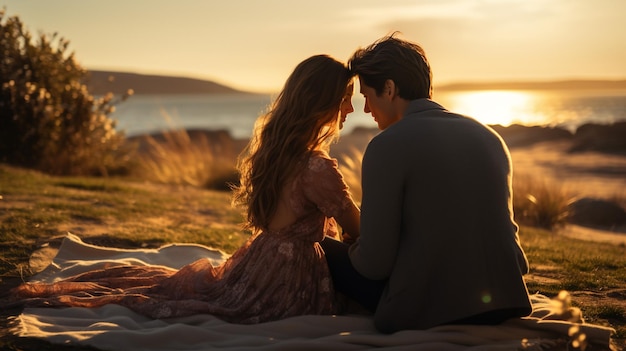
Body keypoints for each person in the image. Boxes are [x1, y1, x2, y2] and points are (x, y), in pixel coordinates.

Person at [6, 54, 361, 324]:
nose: (349, 108)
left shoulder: (279, 150)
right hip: (286, 276)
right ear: (323, 102)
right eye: (344, 98)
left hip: (260, 259)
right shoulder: (317, 167)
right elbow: (357, 227)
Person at [321, 34, 532, 333]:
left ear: (390, 89)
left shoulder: (386, 146)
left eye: (367, 96)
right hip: (507, 301)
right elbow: (513, 253)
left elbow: (373, 265)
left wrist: (358, 244)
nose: (366, 110)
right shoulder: (490, 137)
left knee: (314, 245)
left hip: (430, 311)